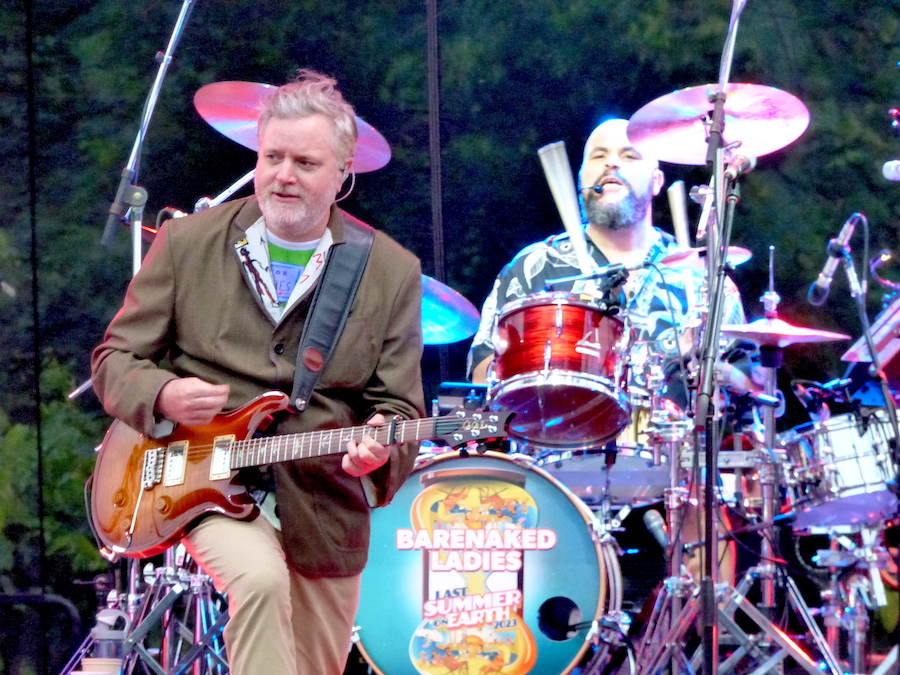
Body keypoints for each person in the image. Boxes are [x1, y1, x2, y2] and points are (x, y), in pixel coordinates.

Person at [91, 70, 426, 675]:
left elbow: (400, 409)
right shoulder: (187, 242)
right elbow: (114, 359)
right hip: (201, 479)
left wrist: (379, 451)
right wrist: (164, 393)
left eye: (305, 162)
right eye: (272, 157)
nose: (283, 175)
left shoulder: (390, 270)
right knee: (261, 581)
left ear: (343, 173)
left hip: (321, 504)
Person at [467, 117, 759, 582]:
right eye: (598, 157)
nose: (611, 165)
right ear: (581, 178)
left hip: (673, 464)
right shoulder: (536, 266)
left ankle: (701, 620)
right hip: (555, 457)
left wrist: (710, 367)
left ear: (657, 181)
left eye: (628, 155)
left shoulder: (698, 276)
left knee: (711, 528)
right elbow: (483, 367)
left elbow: (749, 388)